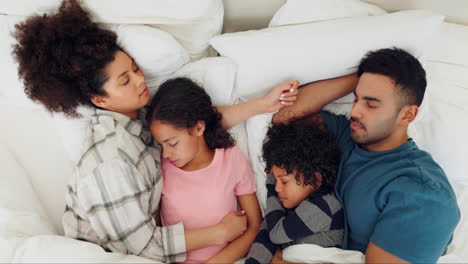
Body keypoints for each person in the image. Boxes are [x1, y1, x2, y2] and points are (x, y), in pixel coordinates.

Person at [11, 0, 298, 262]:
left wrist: (263, 104)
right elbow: (141, 246)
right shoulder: (111, 161)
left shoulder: (138, 121)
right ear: (100, 100)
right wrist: (219, 233)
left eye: (135, 69)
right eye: (125, 81)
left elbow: (196, 121)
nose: (139, 81)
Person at [272, 48, 460, 263]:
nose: (355, 112)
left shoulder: (421, 194)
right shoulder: (348, 137)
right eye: (355, 99)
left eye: (371, 104)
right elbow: (285, 117)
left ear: (407, 114)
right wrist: (363, 77)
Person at [147, 77, 262, 263]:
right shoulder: (160, 165)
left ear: (199, 128)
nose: (166, 153)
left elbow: (254, 225)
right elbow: (156, 235)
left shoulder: (230, 158)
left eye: (172, 143)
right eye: (161, 145)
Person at [245, 122, 344, 264]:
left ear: (315, 179)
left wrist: (271, 186)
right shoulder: (287, 207)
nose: (278, 188)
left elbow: (275, 235)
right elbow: (266, 234)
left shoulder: (324, 206)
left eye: (284, 182)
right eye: (275, 179)